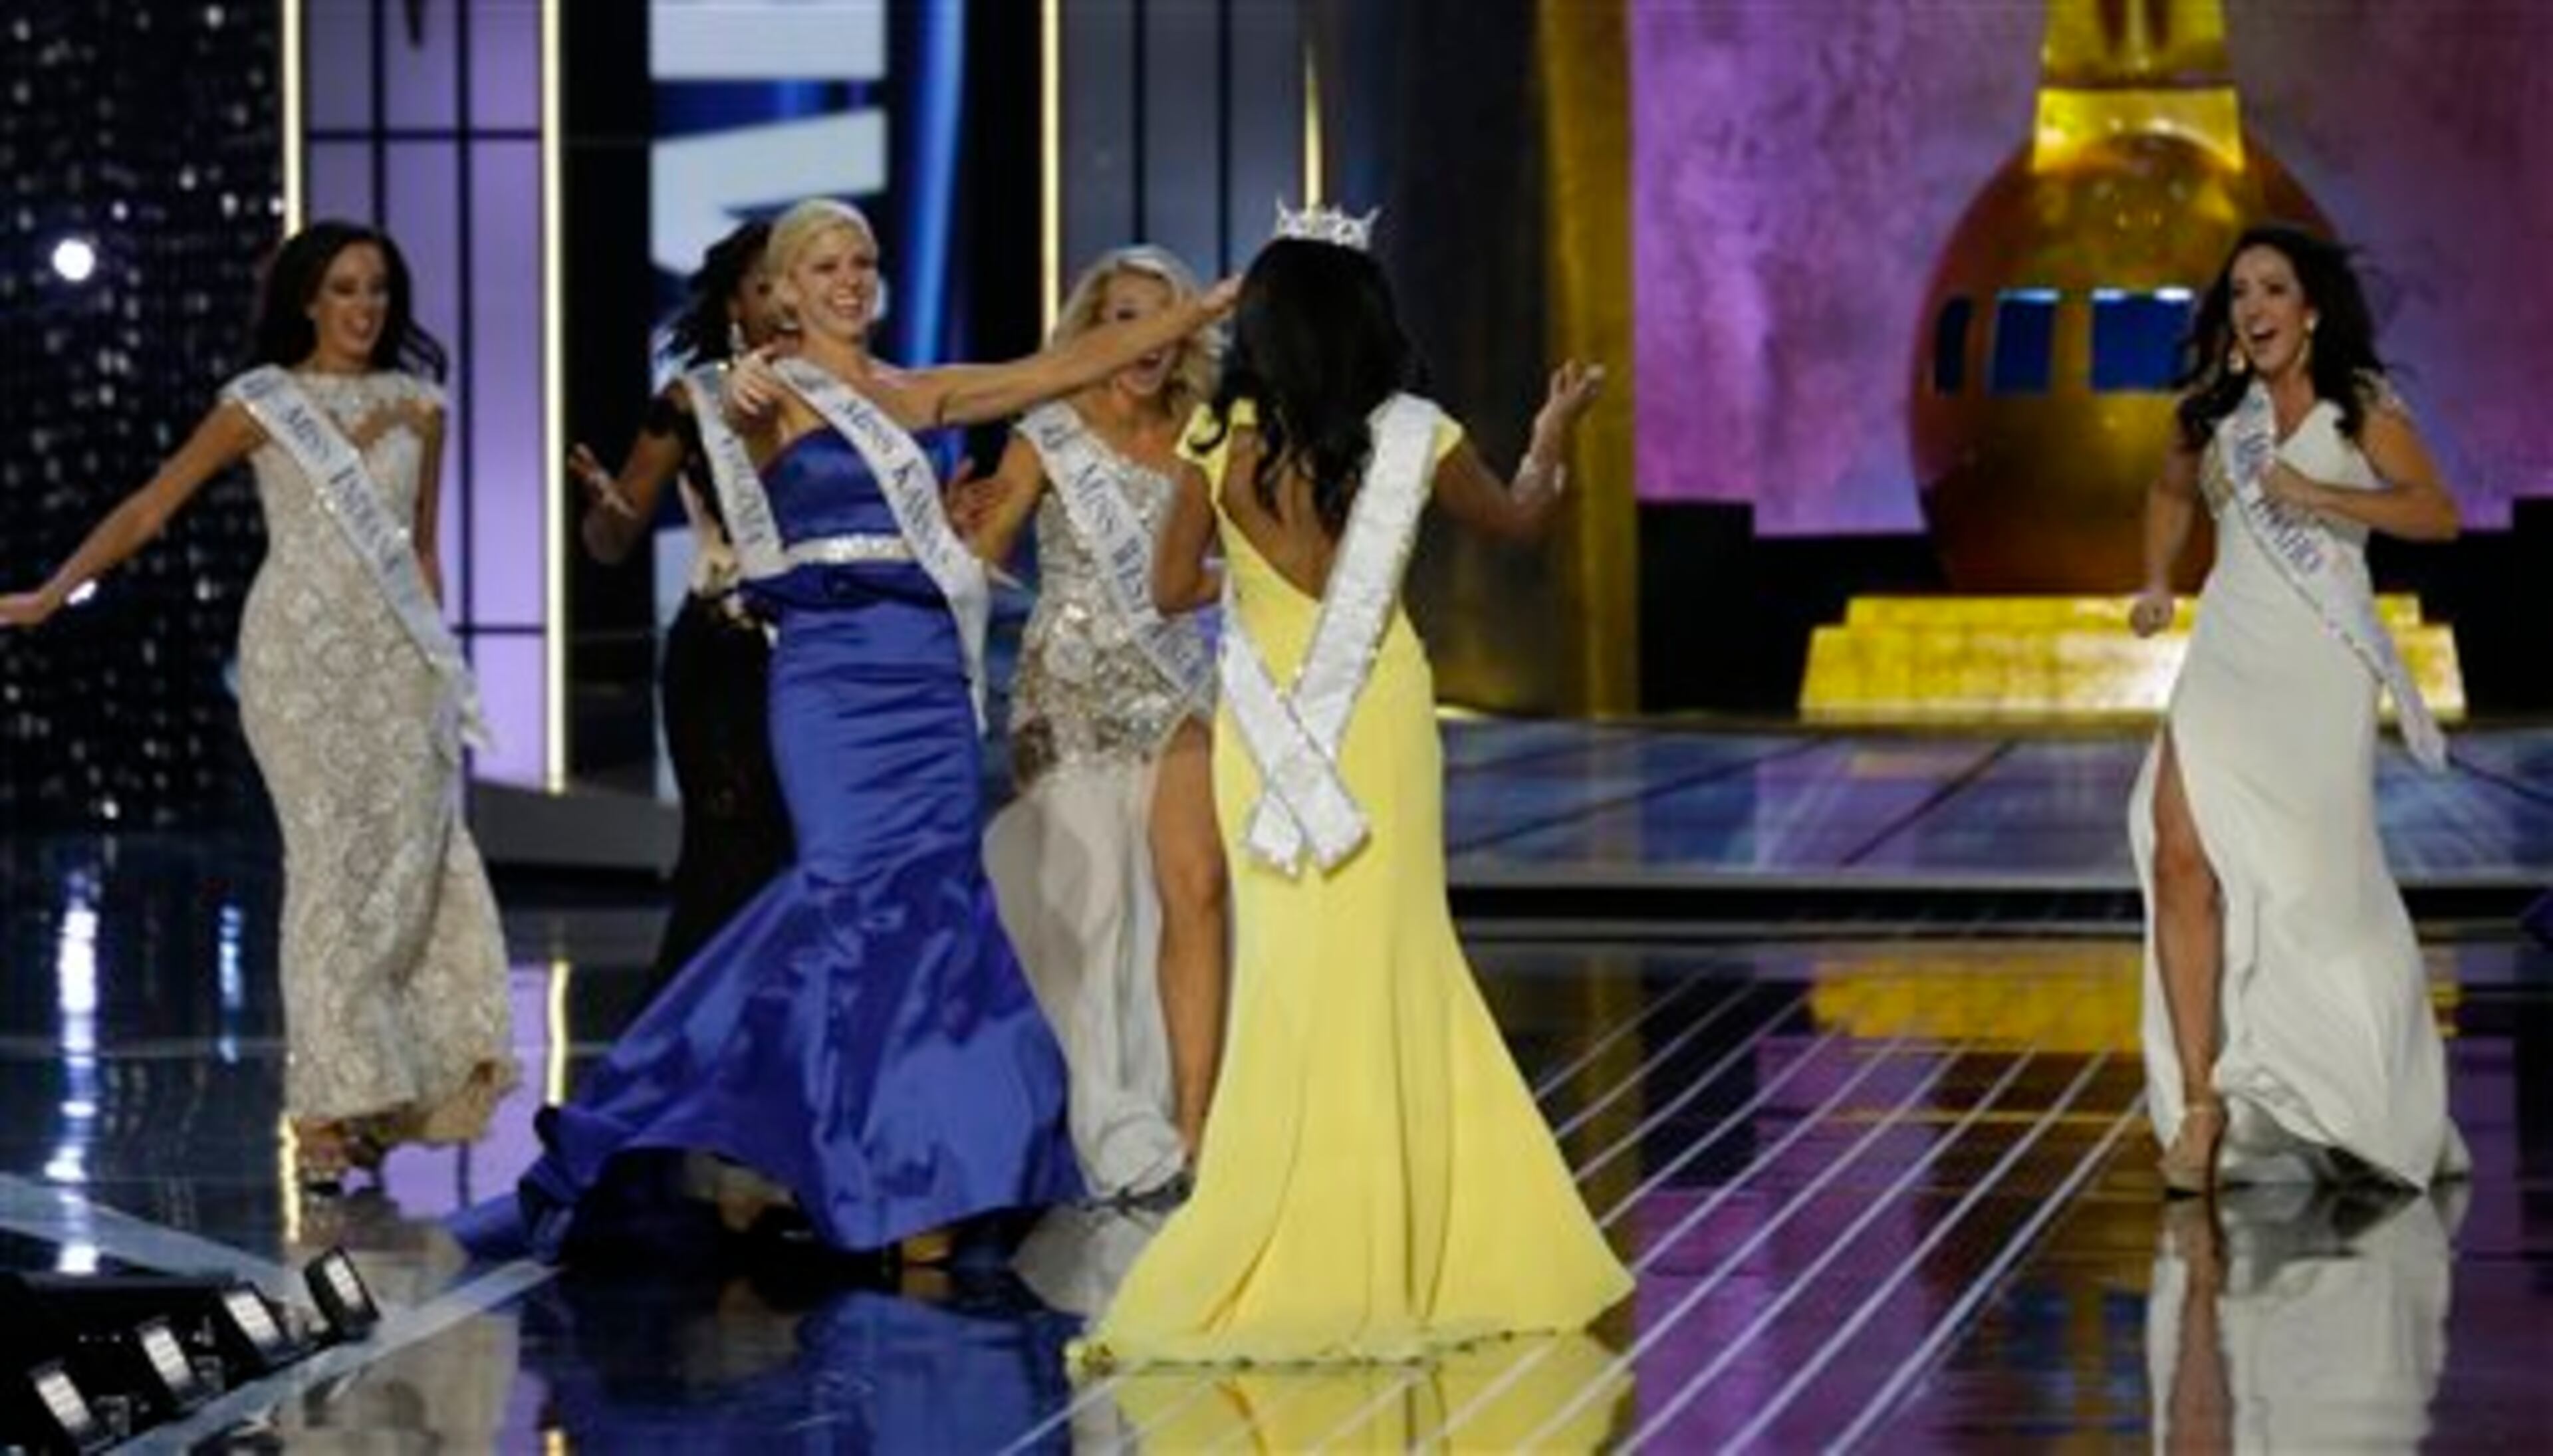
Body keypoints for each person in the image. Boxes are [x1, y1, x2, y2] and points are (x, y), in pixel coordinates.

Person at [504, 198, 1237, 1265]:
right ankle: (701, 1111)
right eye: (827, 265)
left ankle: (918, 1179)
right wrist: (749, 384)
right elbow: (741, 416)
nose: (850, 279)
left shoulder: (910, 391)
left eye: (864, 261)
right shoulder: (764, 392)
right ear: (785, 288)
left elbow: (1052, 370)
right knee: (844, 902)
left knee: (934, 928)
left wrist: (1197, 312)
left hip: (926, 683)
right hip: (833, 685)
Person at [1076, 208, 1631, 1366]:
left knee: (1286, 977)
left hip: (1263, 734)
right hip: (1377, 728)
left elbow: (1175, 589)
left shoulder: (1217, 444)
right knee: (1397, 964)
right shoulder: (1417, 436)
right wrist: (1551, 432)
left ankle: (1273, 1228)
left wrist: (1258, 575)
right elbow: (1526, 519)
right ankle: (1420, 1245)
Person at [0, 221, 514, 1188]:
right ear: (308, 302)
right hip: (296, 662)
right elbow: (152, 507)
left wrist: (443, 662)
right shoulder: (260, 404)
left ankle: (382, 1091)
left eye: (377, 290)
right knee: (328, 871)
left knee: (404, 873)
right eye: (344, 289)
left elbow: (423, 549)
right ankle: (325, 1111)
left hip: (399, 664)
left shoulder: (421, 406)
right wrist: (48, 592)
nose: (364, 308)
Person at [2126, 222, 2469, 1196]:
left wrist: (2317, 491)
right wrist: (2156, 578)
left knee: (2312, 891)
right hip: (2230, 653)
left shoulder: (2360, 406)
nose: (2255, 309)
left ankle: (2350, 1086)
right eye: (2240, 294)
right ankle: (2201, 1104)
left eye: (2273, 289)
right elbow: (2167, 491)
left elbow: (2436, 512)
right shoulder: (2214, 411)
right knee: (2179, 852)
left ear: (2310, 308)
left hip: (2318, 666)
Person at [964, 246, 1228, 1204]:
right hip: (1068, 690)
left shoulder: (1206, 434)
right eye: (1121, 315)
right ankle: (1106, 1119)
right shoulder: (1049, 429)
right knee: (1097, 909)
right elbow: (986, 554)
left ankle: (1193, 1127)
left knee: (1194, 890)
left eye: (1159, 316)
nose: (1142, 337)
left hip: (1177, 686)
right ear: (1090, 329)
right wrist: (960, 539)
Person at [568, 220, 794, 989]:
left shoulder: (869, 398)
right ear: (735, 302)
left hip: (829, 656)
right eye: (766, 285)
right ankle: (689, 1058)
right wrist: (607, 511)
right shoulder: (691, 402)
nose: (785, 302)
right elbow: (608, 542)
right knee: (730, 850)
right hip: (725, 655)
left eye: (798, 281)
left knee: (810, 853)